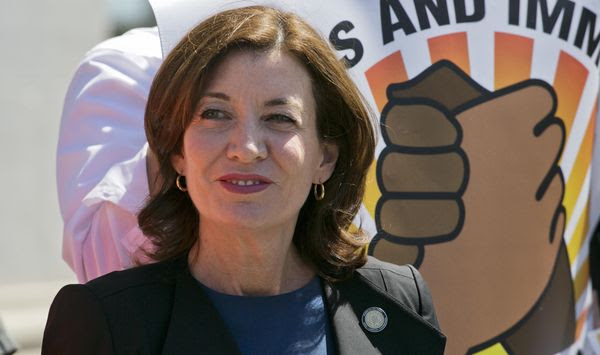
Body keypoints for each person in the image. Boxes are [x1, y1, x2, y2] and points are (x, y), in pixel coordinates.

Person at [43, 6, 445, 354]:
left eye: (279, 118)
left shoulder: (400, 302)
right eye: (215, 114)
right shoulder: (104, 321)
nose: (246, 147)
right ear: (177, 154)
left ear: (324, 158)